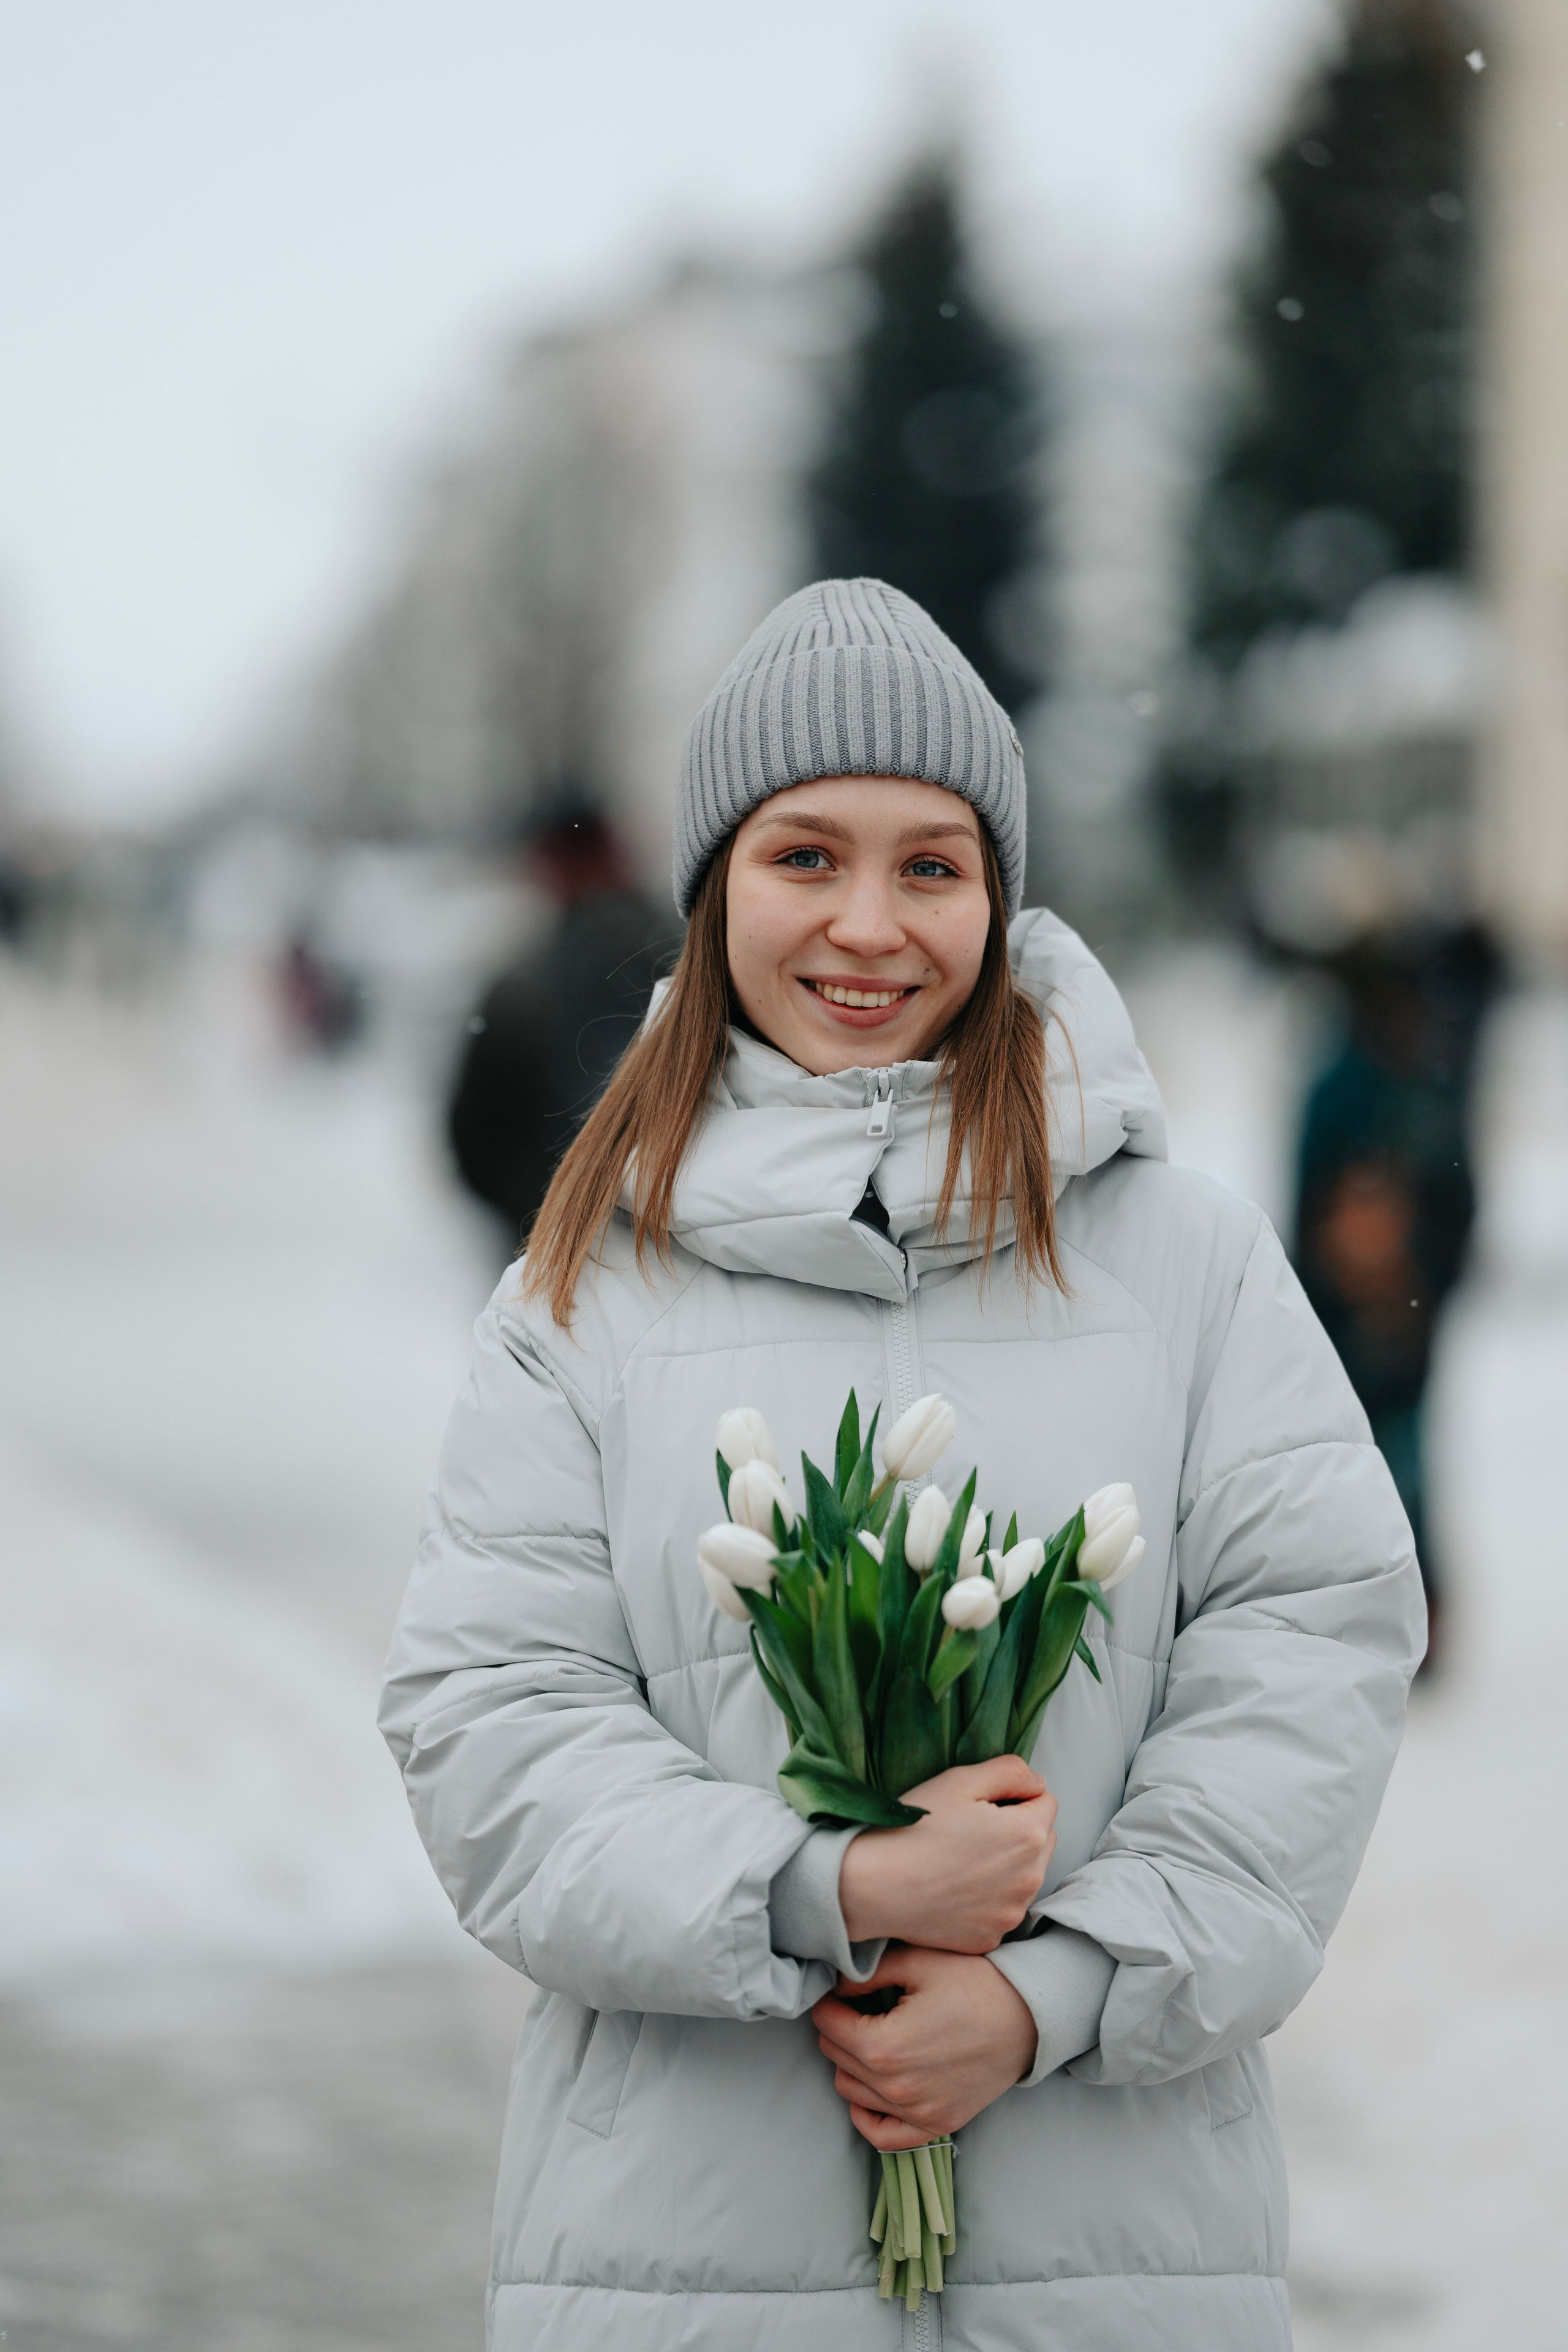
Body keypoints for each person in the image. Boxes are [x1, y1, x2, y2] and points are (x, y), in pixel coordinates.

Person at [381, 580, 1423, 2351]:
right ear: (715, 890)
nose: (867, 924)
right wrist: (832, 1890)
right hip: (684, 2265)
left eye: (930, 865)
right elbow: (492, 1718)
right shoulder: (583, 1288)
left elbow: (1310, 1651)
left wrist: (1051, 1992)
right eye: (804, 855)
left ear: (997, 897)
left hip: (1117, 2252)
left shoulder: (1183, 1261)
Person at [1293, 924, 1500, 1667]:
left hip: (1406, 1316)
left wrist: (1419, 1272)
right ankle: (1378, 1617)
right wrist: (1342, 1264)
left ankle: (1412, 1617)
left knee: (1401, 1466)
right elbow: (1305, 1207)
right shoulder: (1347, 1086)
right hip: (1350, 1317)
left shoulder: (1423, 1085)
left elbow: (1459, 1205)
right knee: (1360, 1468)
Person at [447, 804, 669, 1251]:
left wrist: (546, 1217)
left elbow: (471, 1140)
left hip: (562, 1257)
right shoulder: (695, 953)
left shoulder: (525, 982)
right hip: (684, 1251)